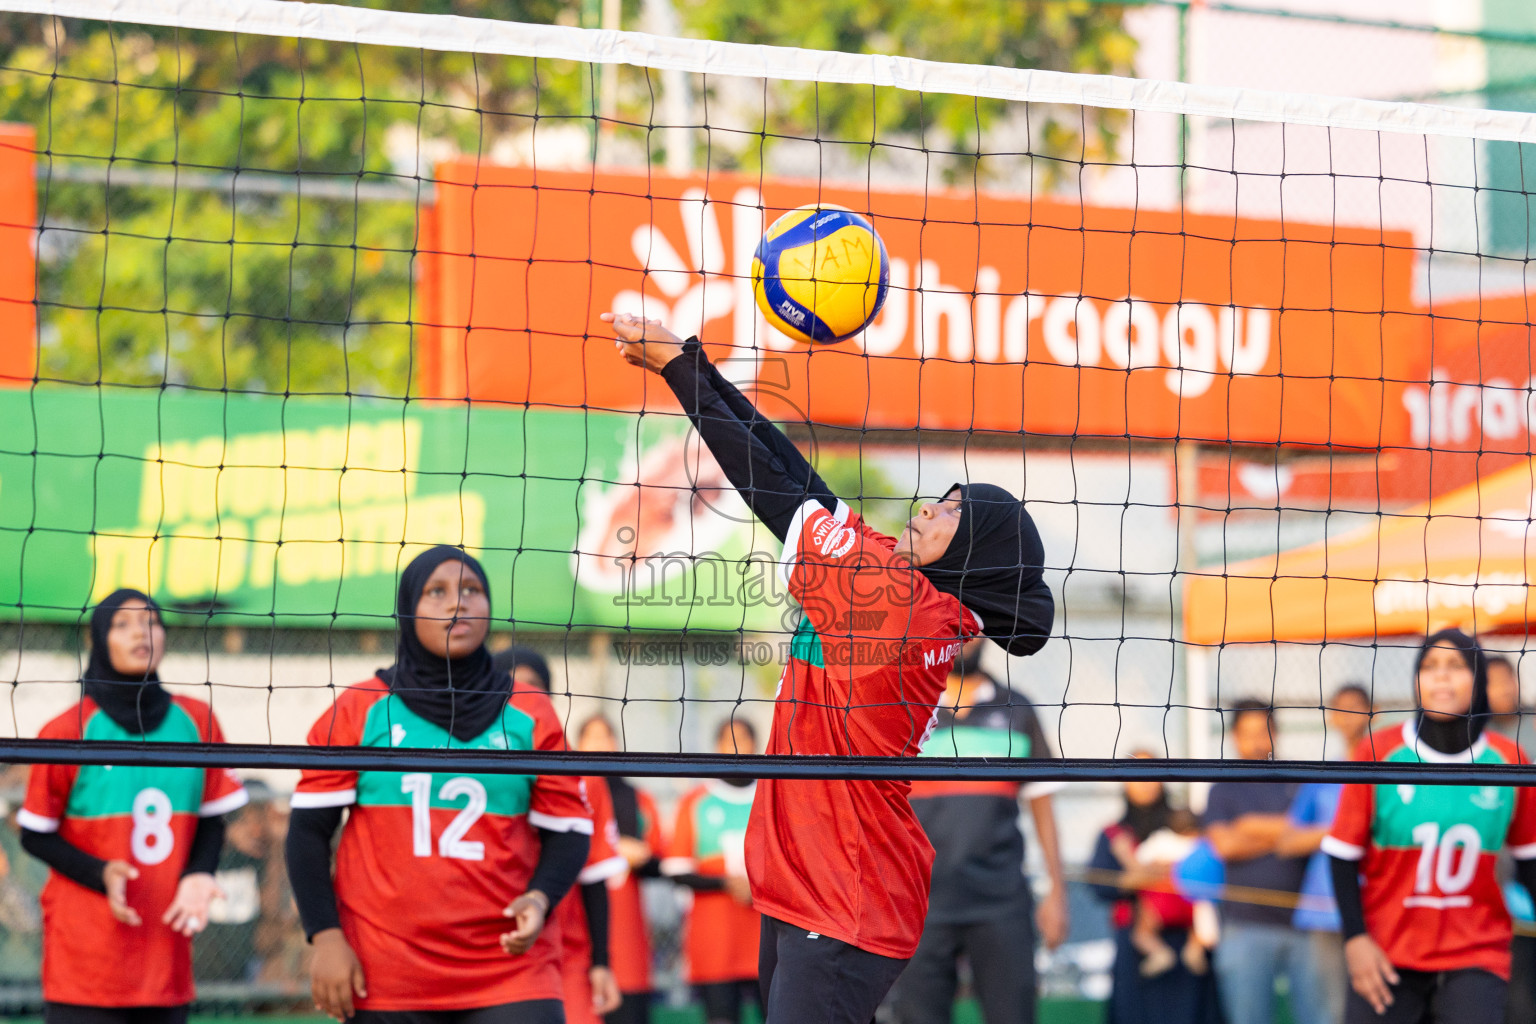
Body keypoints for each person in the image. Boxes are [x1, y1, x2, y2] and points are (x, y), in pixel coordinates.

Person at [605, 312, 1055, 1024]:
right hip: (820, 883)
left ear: (974, 551)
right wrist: (687, 360)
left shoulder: (894, 601)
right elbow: (795, 474)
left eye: (949, 512)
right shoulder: (908, 589)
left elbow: (771, 491)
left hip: (844, 895)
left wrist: (676, 370)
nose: (926, 509)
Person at [284, 546, 596, 1024]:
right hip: (387, 971)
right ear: (409, 607)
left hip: (510, 967)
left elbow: (570, 829)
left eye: (472, 590)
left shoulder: (530, 710)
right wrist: (324, 936)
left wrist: (540, 897)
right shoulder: (359, 708)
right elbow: (307, 832)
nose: (458, 603)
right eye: (438, 592)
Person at [18, 588, 248, 1024]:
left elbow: (214, 818)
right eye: (122, 624)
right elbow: (34, 834)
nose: (140, 632)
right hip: (85, 962)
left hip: (165, 956)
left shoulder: (197, 719)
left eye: (151, 622)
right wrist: (100, 873)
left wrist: (200, 872)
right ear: (100, 639)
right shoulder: (68, 729)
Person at [1324, 629, 1536, 1024]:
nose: (1440, 677)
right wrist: (1355, 940)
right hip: (1388, 953)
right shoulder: (1377, 751)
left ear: (1479, 680)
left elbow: (1531, 863)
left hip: (1476, 954)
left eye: (1455, 666)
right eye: (1429, 666)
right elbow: (1340, 856)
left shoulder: (1510, 760)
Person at [892, 644, 1068, 1024]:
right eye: (951, 630)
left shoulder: (1017, 708)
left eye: (968, 628)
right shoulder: (902, 708)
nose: (961, 638)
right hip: (918, 902)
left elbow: (1043, 807)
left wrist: (1057, 891)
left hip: (1000, 900)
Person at [1203, 700, 1327, 1024]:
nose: (1257, 740)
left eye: (1264, 731)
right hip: (1245, 926)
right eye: (1248, 733)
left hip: (1307, 925)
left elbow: (1324, 833)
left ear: (1276, 732)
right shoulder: (1222, 787)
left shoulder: (1301, 779)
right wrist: (1286, 832)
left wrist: (1249, 826)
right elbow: (1225, 846)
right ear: (1234, 736)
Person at [1088, 762, 1220, 1024]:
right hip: (1137, 946)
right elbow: (1101, 885)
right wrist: (1141, 877)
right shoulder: (1114, 834)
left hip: (1186, 941)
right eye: (1137, 777)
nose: (1145, 784)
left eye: (1151, 775)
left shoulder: (1184, 828)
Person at [1274, 684, 1374, 1024]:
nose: (1349, 715)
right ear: (1331, 716)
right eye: (1341, 708)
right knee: (1329, 1011)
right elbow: (1287, 841)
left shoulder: (1389, 768)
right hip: (1325, 912)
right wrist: (1341, 832)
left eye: (1357, 706)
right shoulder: (1321, 775)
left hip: (1377, 910)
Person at [664, 719, 762, 1024]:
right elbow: (675, 869)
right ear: (717, 746)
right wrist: (725, 884)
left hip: (765, 940)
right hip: (715, 942)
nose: (735, 746)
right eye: (727, 740)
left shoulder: (772, 798)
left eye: (743, 739)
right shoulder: (696, 801)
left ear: (755, 744)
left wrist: (758, 885)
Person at [574, 716, 664, 1024]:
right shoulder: (567, 792)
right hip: (578, 929)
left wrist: (636, 854)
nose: (599, 743)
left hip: (627, 935)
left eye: (606, 735)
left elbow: (658, 860)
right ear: (578, 743)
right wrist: (613, 849)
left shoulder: (638, 799)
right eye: (591, 736)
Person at [1112, 808, 1208, 978]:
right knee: (1199, 926)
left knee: (1142, 931)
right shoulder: (1201, 843)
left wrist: (1124, 854)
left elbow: (1140, 862)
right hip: (1191, 900)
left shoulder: (1161, 840)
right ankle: (1194, 949)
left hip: (1162, 900)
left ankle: (1159, 952)